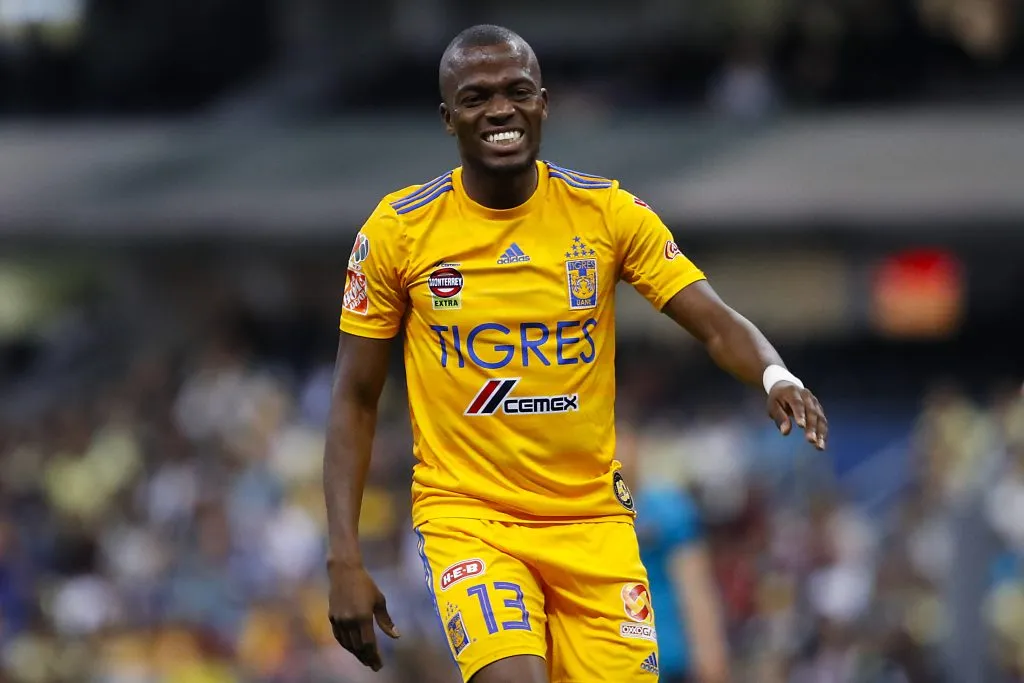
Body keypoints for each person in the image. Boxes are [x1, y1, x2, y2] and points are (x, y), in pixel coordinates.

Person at [324, 23, 828, 683]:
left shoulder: (607, 214)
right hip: (473, 518)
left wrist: (773, 372)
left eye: (517, 91)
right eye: (476, 97)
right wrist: (343, 558)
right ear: (448, 119)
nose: (499, 108)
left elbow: (712, 319)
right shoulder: (397, 232)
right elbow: (355, 398)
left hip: (593, 522)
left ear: (543, 103)